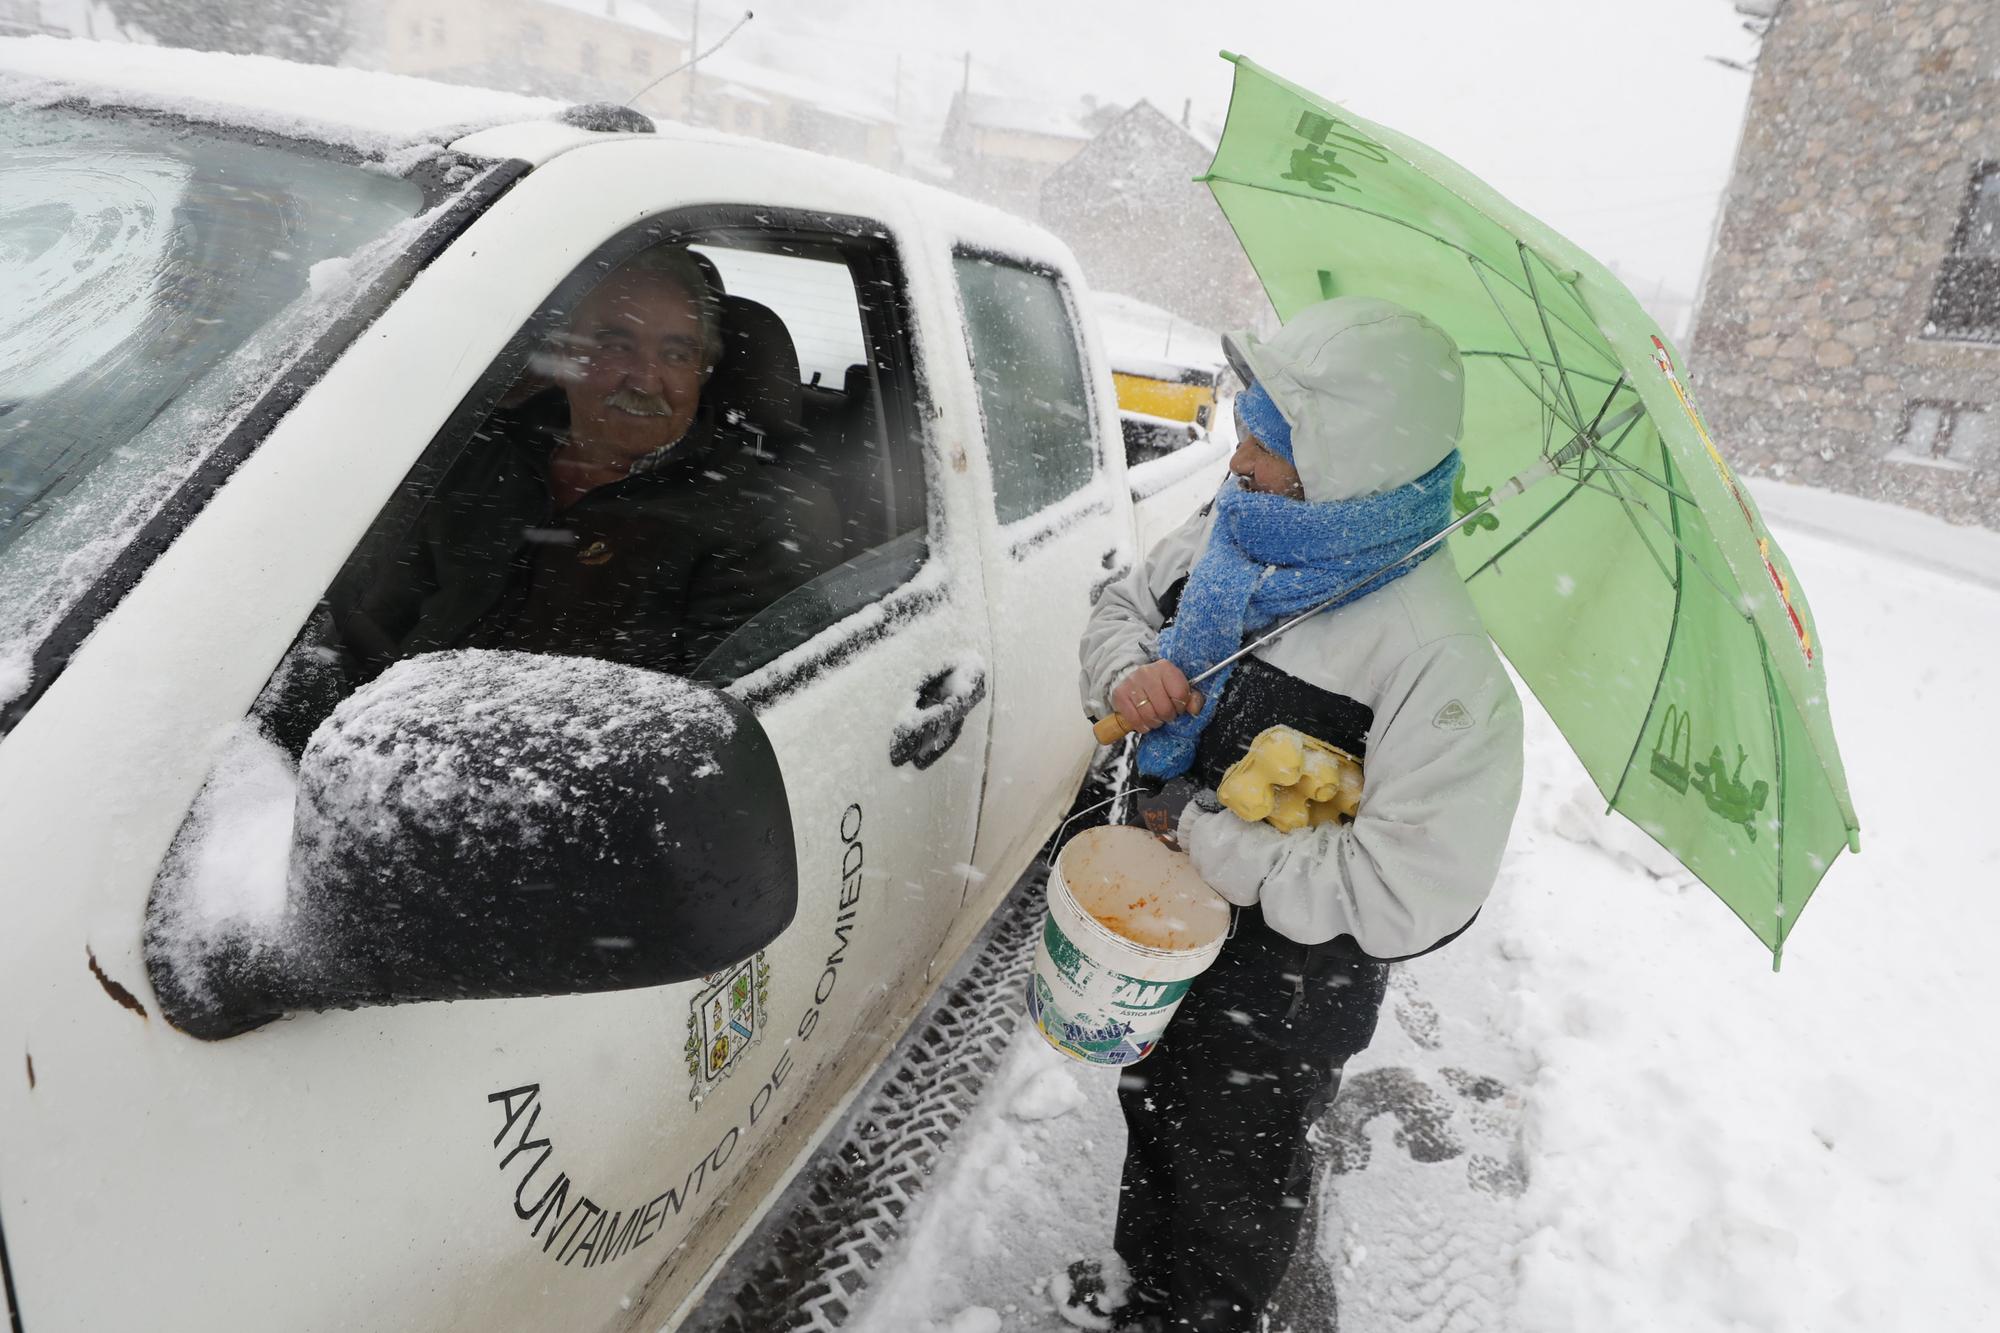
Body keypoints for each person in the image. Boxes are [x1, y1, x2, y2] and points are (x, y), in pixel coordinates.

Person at [1067, 297, 1525, 1332]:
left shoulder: (1431, 655)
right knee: (1151, 1122)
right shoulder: (1240, 527)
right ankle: (1141, 1297)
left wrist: (1200, 830)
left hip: (1277, 999)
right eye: (1245, 430)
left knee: (1228, 1186)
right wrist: (1131, 673)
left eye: (1265, 445)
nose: (1234, 461)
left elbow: (1409, 889)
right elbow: (1122, 607)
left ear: (1346, 456)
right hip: (1163, 939)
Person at [325, 244, 832, 683]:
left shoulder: (756, 514)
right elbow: (366, 627)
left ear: (703, 371)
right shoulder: (479, 455)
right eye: (616, 345)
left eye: (677, 355)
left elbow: (709, 725)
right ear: (563, 353)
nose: (645, 379)